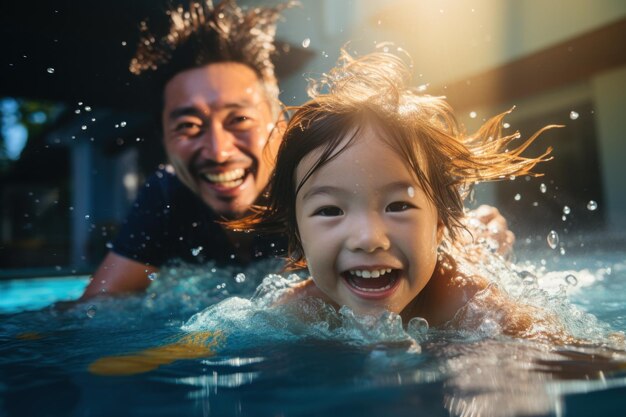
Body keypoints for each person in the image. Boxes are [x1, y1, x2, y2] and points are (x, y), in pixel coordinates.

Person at [77, 0, 513, 302]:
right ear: (166, 142)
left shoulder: (321, 177)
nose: (218, 150)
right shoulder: (167, 197)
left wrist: (469, 242)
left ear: (279, 126)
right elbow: (98, 309)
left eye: (239, 120)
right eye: (189, 126)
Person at [231, 50, 570, 340]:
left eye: (398, 205)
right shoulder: (298, 310)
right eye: (331, 210)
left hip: (459, 254)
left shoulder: (472, 304)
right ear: (298, 237)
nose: (368, 239)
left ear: (439, 223)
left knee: (479, 245)